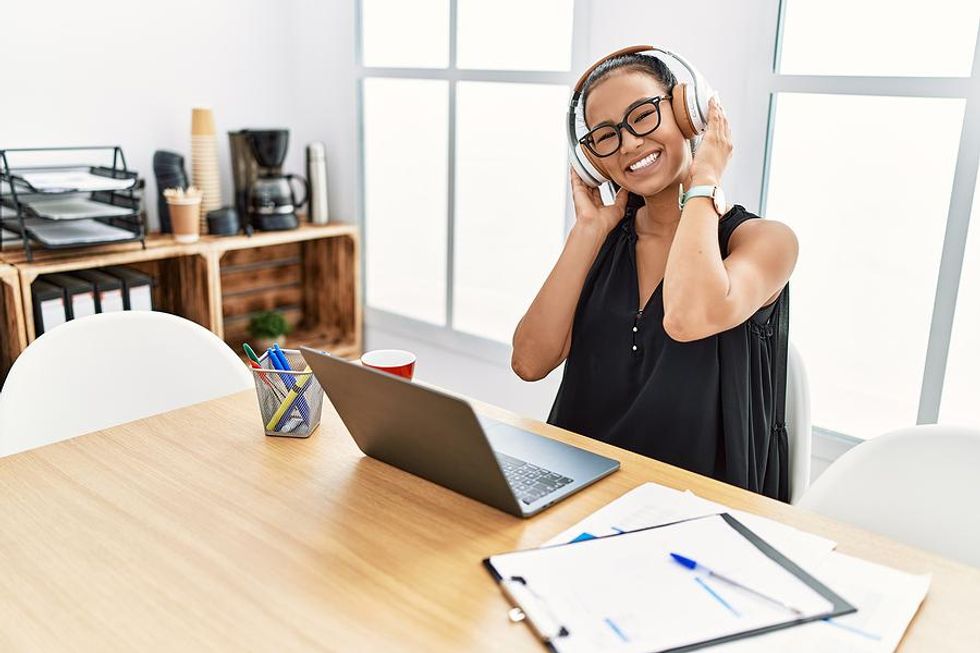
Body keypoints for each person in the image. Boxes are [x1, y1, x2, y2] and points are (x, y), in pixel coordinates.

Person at [511, 51, 798, 499]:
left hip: (692, 506)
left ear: (688, 114)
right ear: (593, 161)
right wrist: (588, 231)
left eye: (642, 116)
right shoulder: (602, 240)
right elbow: (529, 362)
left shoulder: (767, 242)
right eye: (605, 136)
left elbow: (687, 317)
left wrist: (704, 181)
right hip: (578, 491)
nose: (628, 144)